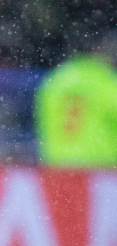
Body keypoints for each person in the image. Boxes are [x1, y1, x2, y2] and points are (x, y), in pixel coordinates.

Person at [34, 31, 117, 167]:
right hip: (100, 169)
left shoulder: (54, 81)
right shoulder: (107, 81)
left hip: (57, 168)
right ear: (98, 50)